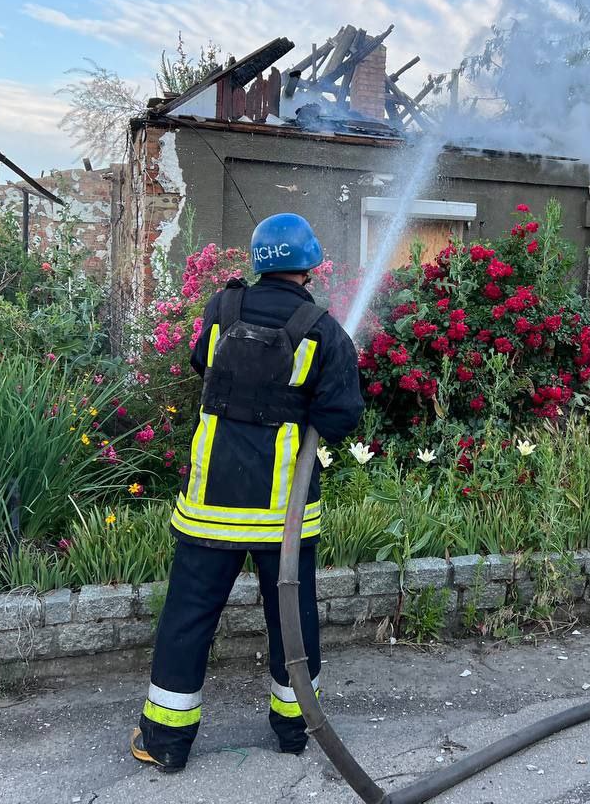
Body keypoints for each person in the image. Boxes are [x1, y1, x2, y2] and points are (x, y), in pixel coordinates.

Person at [131, 213, 364, 772]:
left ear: (259, 260)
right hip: (282, 514)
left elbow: (201, 364)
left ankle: (164, 741)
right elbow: (342, 417)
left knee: (188, 616)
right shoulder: (323, 330)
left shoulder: (222, 308)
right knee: (293, 618)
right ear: (309, 264)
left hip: (208, 505)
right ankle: (295, 729)